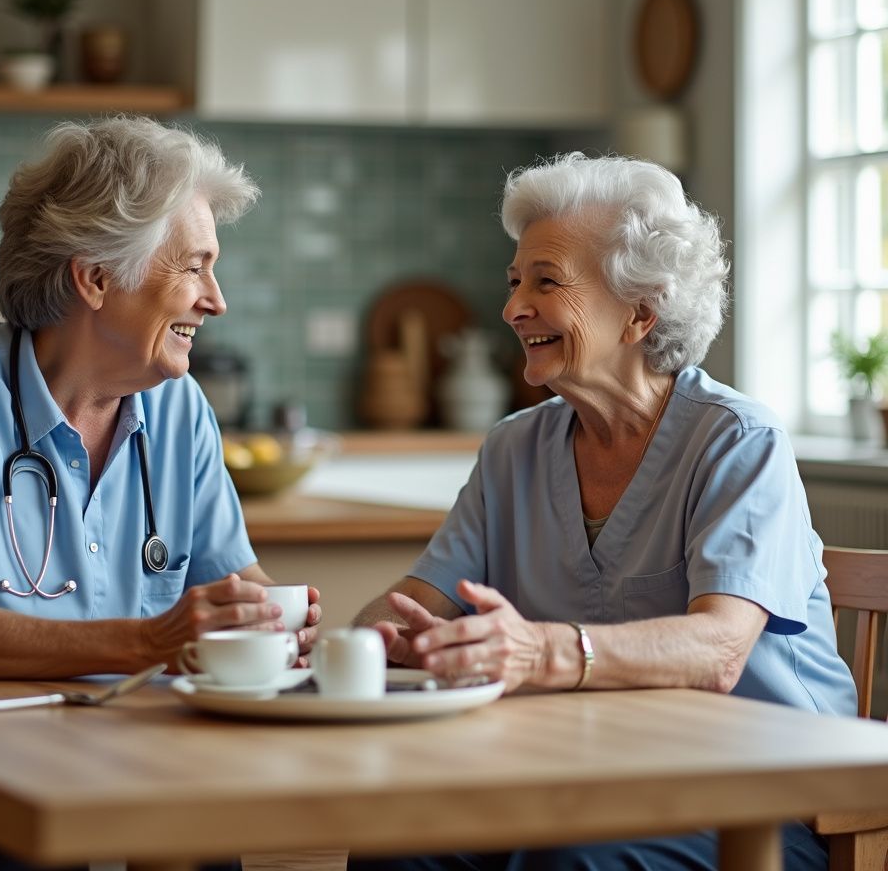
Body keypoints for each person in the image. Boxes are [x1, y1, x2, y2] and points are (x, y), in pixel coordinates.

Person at [350, 152, 856, 871]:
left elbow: (718, 651)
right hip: (588, 777)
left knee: (573, 859)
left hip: (762, 795)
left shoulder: (738, 441)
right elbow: (410, 604)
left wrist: (540, 651)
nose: (513, 308)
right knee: (397, 840)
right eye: (515, 282)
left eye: (546, 281)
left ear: (641, 312)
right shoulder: (514, 449)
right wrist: (389, 640)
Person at [0, 116, 321, 870]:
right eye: (195, 268)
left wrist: (280, 626)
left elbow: (235, 587)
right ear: (96, 277)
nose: (216, 300)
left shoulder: (179, 409)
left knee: (204, 839)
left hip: (124, 756)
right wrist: (147, 642)